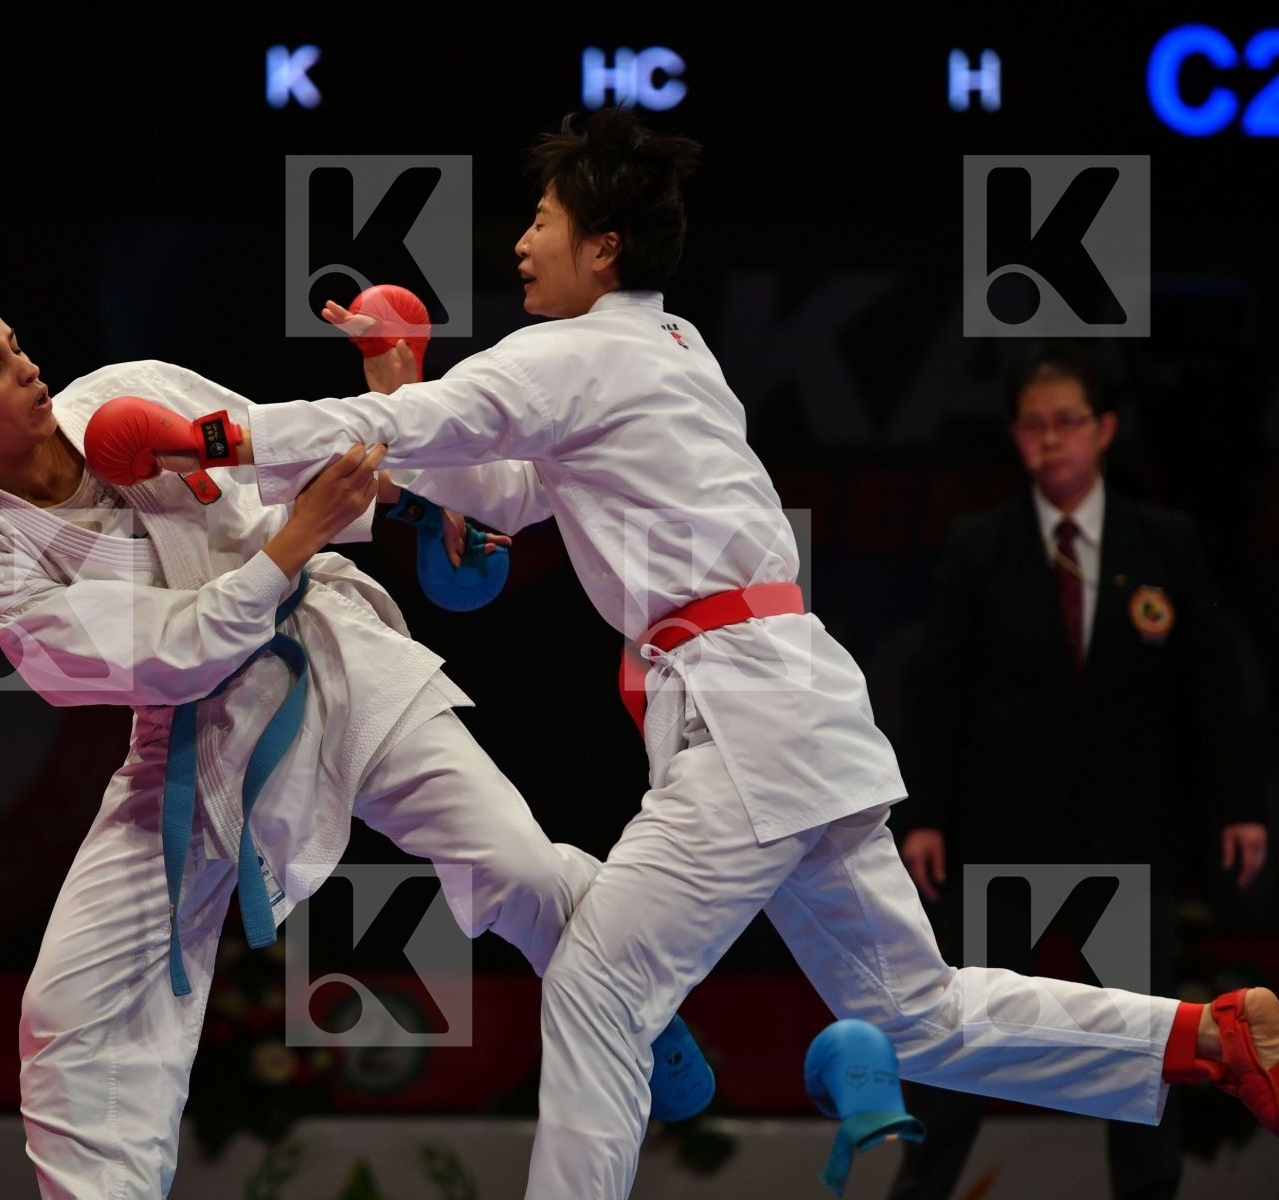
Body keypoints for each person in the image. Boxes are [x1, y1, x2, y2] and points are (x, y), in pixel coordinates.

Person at [84, 108, 1279, 1199]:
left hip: (745, 715)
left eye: (543, 222)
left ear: (603, 246)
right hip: (791, 702)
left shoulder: (578, 356)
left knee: (602, 985)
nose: (521, 245)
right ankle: (1209, 1038)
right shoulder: (669, 350)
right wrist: (400, 376)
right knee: (916, 1018)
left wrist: (212, 436)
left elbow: (410, 437)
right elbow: (493, 494)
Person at [0, 296, 711, 1199]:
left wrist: (424, 499)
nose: (29, 367)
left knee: (520, 870)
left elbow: (272, 449)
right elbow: (164, 655)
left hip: (338, 655)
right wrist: (295, 539)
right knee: (69, 1006)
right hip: (196, 736)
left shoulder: (123, 393)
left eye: (16, 345)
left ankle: (634, 999)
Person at [887, 342, 1268, 1200]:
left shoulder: (1161, 543)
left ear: (1103, 430)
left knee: (1146, 1054)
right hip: (1001, 831)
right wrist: (925, 817)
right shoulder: (979, 546)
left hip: (1127, 833)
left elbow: (1212, 689)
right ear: (1015, 437)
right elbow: (936, 692)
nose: (1049, 440)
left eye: (1066, 423)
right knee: (964, 1045)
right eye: (1031, 425)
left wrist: (1240, 806)